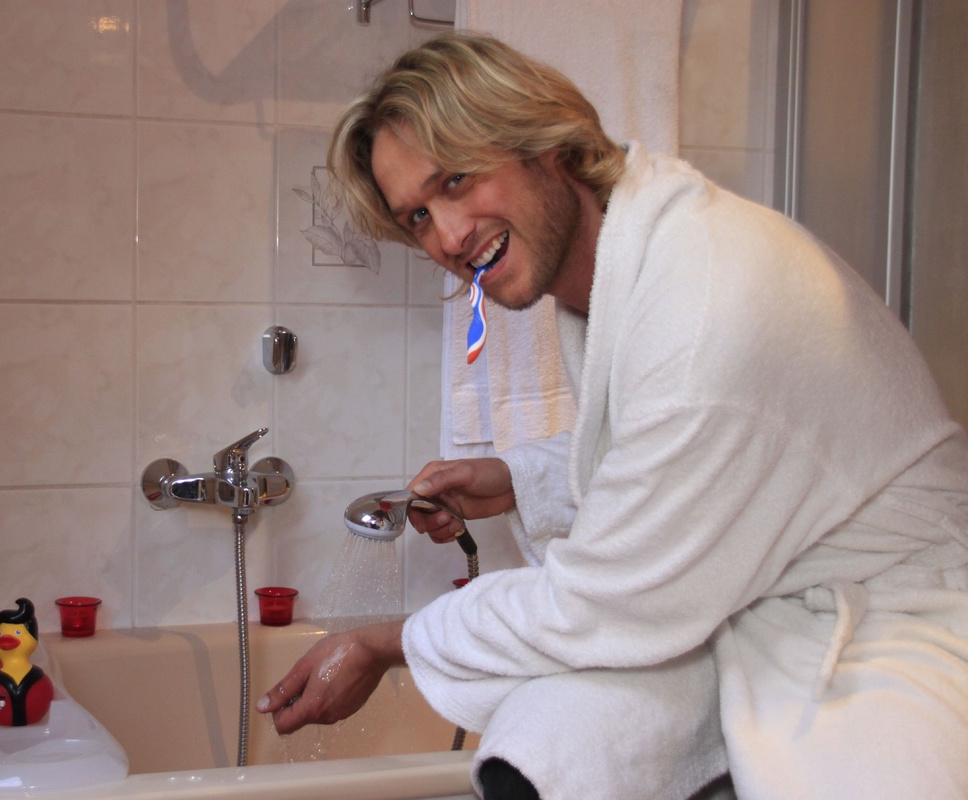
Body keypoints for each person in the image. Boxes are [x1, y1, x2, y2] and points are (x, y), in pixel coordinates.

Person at [256, 32, 968, 800]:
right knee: (546, 741)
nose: (451, 237)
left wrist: (384, 643)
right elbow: (688, 454)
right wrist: (519, 477)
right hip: (755, 596)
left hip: (893, 631)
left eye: (458, 180)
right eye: (420, 216)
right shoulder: (639, 258)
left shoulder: (706, 299)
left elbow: (598, 604)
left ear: (541, 142)